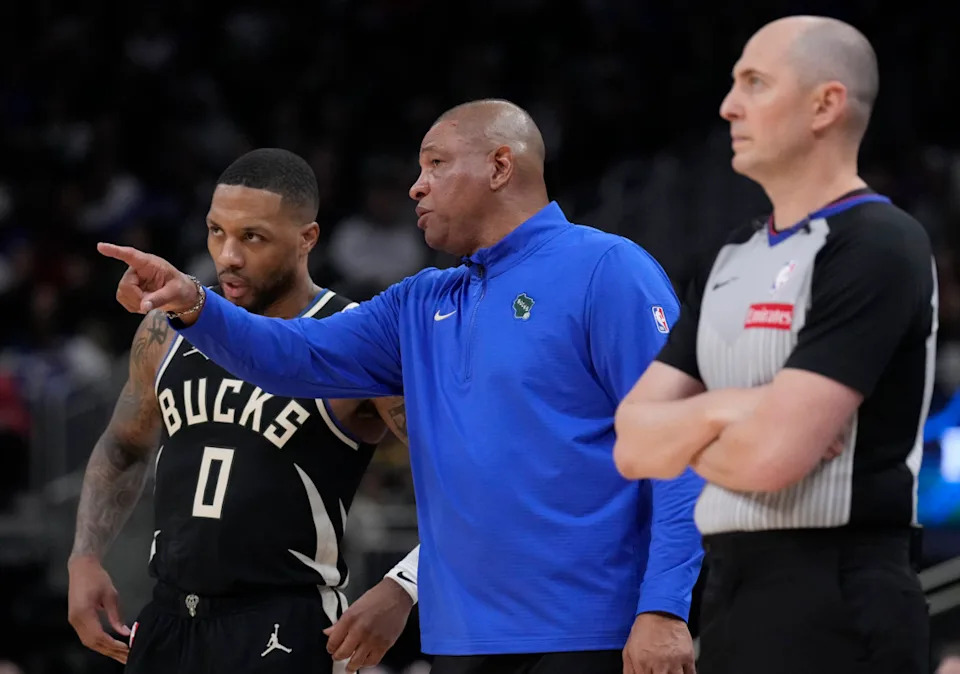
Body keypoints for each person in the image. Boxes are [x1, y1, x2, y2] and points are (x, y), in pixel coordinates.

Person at [98, 99, 705, 674]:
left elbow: (681, 447)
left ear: (500, 166)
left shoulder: (608, 269)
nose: (417, 185)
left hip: (590, 631)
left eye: (436, 164)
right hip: (461, 636)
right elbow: (290, 354)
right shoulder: (421, 301)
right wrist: (192, 303)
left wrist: (665, 608)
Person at [612, 15, 935, 674]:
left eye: (755, 82)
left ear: (826, 104)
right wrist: (737, 411)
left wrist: (696, 429)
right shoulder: (732, 251)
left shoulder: (877, 243)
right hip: (732, 592)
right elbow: (631, 444)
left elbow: (773, 459)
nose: (729, 104)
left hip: (841, 593)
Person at [68, 148, 418, 674]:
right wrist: (85, 556)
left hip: (285, 622)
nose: (227, 255)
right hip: (168, 619)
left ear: (307, 239)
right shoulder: (166, 326)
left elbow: (468, 481)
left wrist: (404, 586)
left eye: (252, 237)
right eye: (215, 231)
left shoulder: (353, 337)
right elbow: (124, 445)